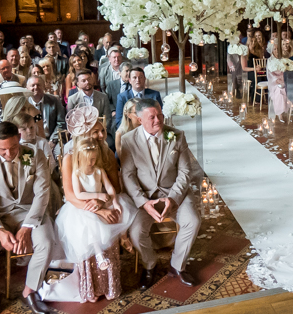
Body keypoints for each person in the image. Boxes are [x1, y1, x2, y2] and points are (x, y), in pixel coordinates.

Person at [0, 122, 59, 314]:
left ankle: (30, 290)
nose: (9, 154)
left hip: (29, 212)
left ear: (19, 139)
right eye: (3, 149)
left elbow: (42, 194)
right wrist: (0, 231)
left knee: (46, 243)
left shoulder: (33, 155)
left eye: (13, 148)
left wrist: (27, 227)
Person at [121, 98, 201, 289]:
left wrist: (173, 198)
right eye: (152, 117)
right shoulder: (128, 140)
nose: (158, 120)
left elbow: (185, 172)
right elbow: (128, 176)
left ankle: (177, 265)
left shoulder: (177, 135)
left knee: (193, 221)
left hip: (175, 193)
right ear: (140, 120)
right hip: (146, 197)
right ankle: (150, 265)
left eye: (160, 115)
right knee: (136, 232)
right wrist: (143, 203)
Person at [56, 135, 135, 302]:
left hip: (103, 203)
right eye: (88, 160)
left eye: (93, 159)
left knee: (122, 212)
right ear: (80, 158)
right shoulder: (77, 173)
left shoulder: (99, 171)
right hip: (85, 207)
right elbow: (78, 194)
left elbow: (111, 188)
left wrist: (114, 201)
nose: (91, 163)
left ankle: (124, 238)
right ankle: (99, 254)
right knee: (89, 224)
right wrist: (98, 195)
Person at [68, 69, 114, 148]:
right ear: (78, 84)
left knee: (110, 143)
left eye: (89, 79)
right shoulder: (72, 99)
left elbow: (107, 119)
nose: (87, 82)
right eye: (83, 80)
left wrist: (99, 132)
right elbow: (72, 122)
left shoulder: (103, 97)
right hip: (81, 134)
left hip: (100, 132)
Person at [26, 76, 66, 146]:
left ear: (44, 87)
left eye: (38, 85)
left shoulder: (54, 100)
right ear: (27, 88)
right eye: (33, 85)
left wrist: (52, 141)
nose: (36, 87)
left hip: (53, 138)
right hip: (32, 140)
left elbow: (61, 123)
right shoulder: (25, 104)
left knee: (60, 152)